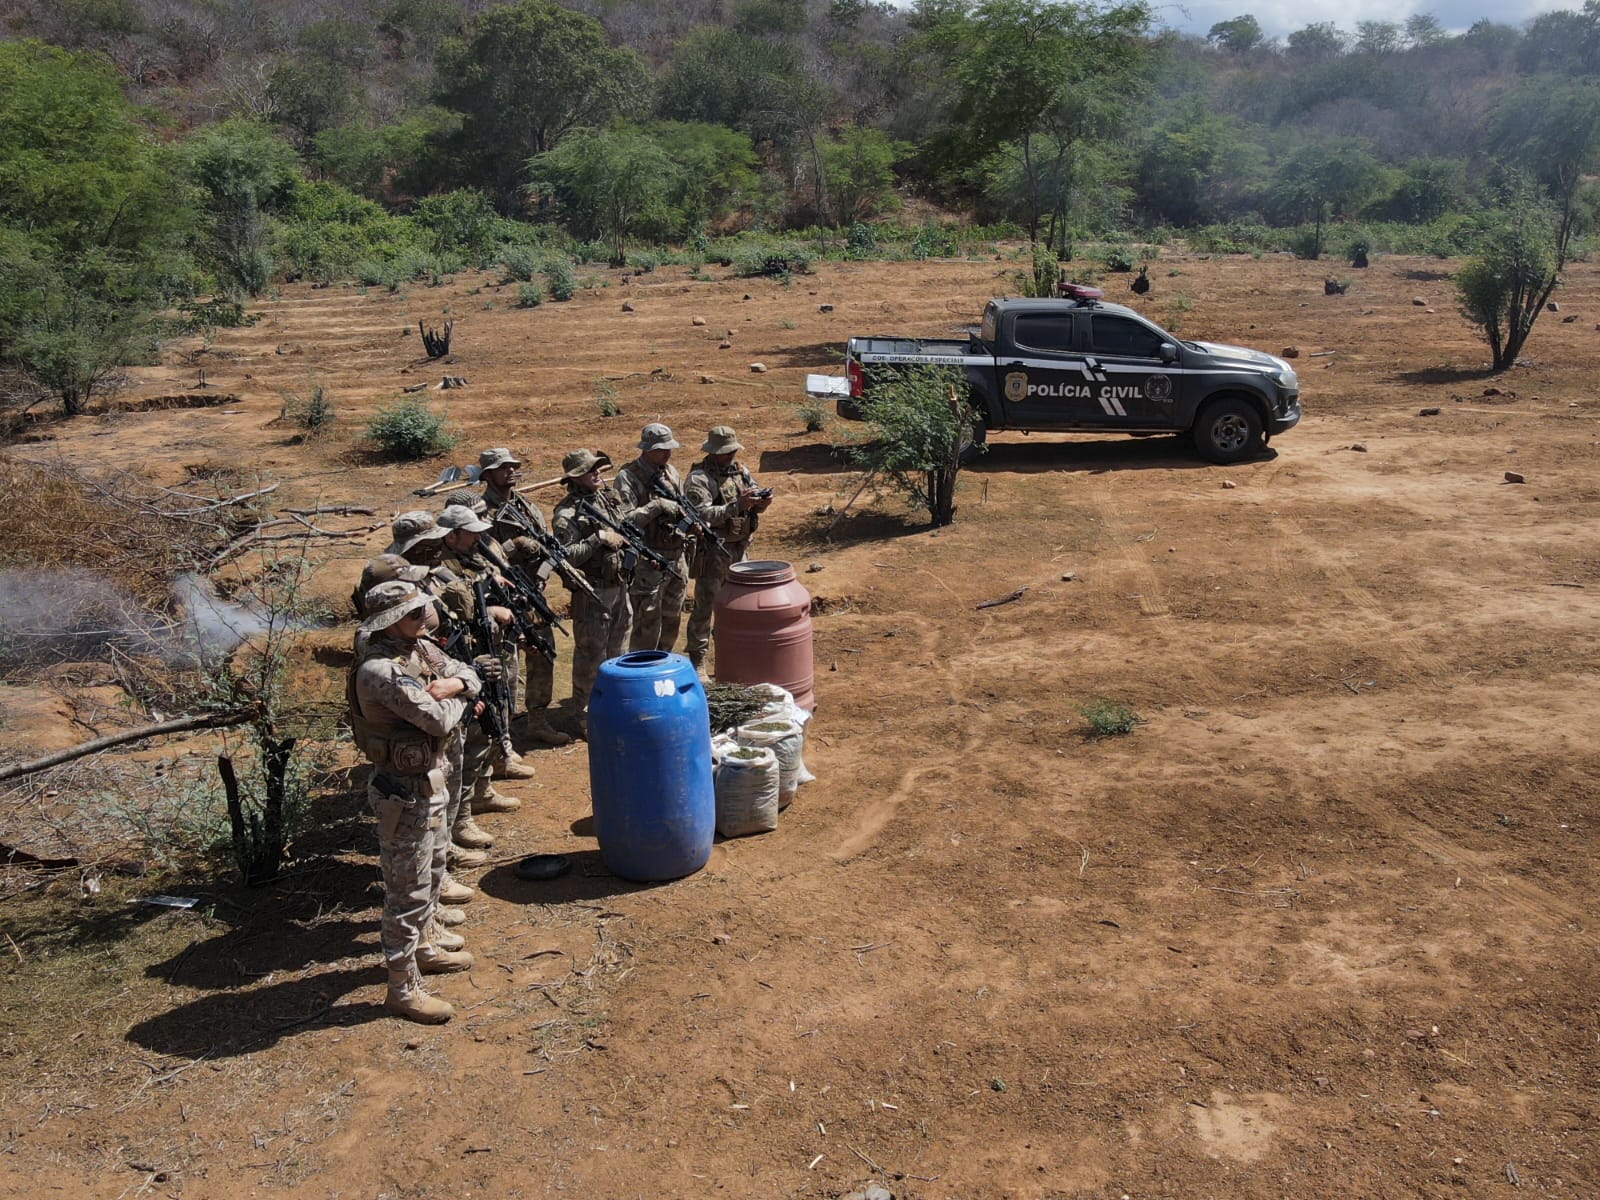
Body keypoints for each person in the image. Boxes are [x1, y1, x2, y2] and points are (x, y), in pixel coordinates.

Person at [349, 579, 482, 1024]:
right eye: (414, 612)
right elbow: (439, 718)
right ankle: (402, 989)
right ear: (392, 621)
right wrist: (458, 692)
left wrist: (456, 683)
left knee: (436, 868)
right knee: (406, 893)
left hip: (429, 781)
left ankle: (425, 946)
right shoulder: (380, 672)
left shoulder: (418, 647)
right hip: (402, 795)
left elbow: (465, 669)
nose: (424, 617)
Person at [551, 449, 677, 735]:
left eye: (597, 468)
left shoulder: (607, 501)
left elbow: (626, 531)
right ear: (575, 478)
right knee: (590, 655)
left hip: (620, 585)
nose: (597, 473)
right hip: (593, 592)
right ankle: (584, 714)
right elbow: (565, 556)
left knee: (618, 652)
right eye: (589, 470)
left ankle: (615, 706)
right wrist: (598, 538)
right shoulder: (566, 514)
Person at [477, 448, 573, 748]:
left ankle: (537, 722)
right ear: (488, 474)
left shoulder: (526, 505)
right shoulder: (481, 511)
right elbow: (478, 554)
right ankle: (501, 737)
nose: (510, 471)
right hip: (500, 597)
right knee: (504, 669)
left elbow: (543, 544)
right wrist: (514, 545)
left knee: (543, 654)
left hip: (532, 594)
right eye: (502, 467)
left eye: (512, 467)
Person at [684, 425, 772, 671]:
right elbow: (701, 514)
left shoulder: (741, 471)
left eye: (732, 450)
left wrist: (761, 503)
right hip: (712, 553)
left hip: (740, 550)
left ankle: (735, 655)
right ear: (713, 452)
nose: (730, 455)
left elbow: (752, 503)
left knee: (740, 606)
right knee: (705, 608)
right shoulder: (699, 479)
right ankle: (697, 661)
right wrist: (737, 505)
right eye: (725, 451)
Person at [612, 424, 690, 654]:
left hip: (676, 555)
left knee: (673, 617)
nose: (667, 453)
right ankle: (642, 669)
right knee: (647, 622)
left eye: (669, 448)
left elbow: (682, 506)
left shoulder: (672, 473)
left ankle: (664, 663)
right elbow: (624, 521)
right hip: (649, 560)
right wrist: (656, 506)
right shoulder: (628, 477)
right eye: (661, 449)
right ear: (646, 449)